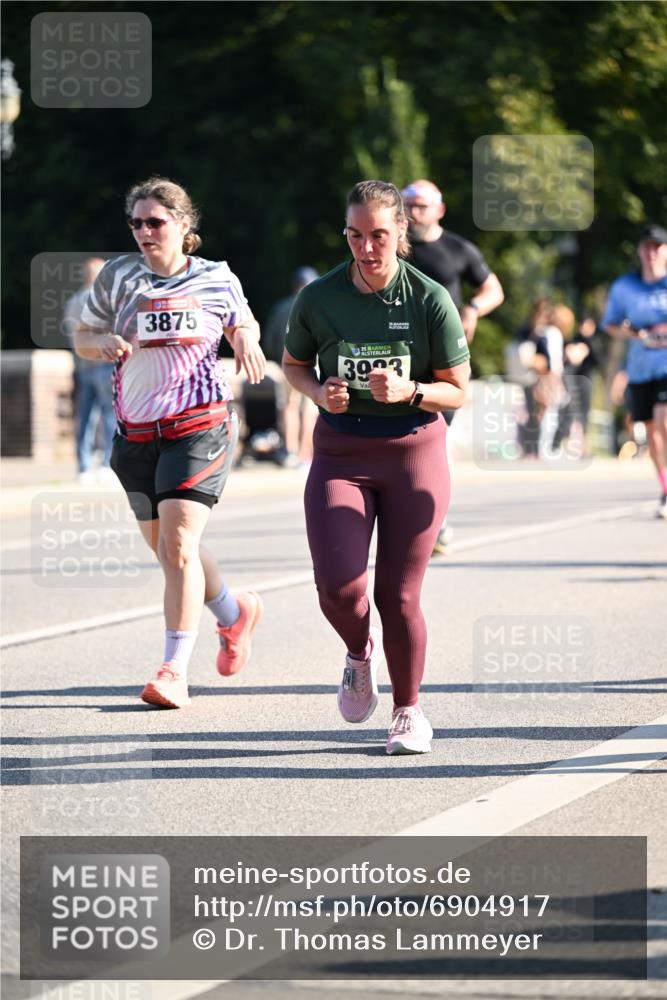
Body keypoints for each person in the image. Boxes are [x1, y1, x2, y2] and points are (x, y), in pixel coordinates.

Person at [283, 180, 470, 754]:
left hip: (414, 451)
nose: (366, 248)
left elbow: (458, 390)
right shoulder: (319, 297)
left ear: (401, 232)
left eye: (379, 236)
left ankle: (408, 711)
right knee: (339, 589)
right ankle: (359, 652)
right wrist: (320, 392)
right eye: (355, 235)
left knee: (398, 594)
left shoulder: (429, 298)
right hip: (341, 452)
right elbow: (293, 364)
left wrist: (412, 391)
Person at [75, 176, 266, 707]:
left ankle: (173, 671)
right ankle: (235, 614)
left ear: (183, 224)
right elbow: (82, 338)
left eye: (155, 221)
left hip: (198, 426)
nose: (144, 231)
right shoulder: (117, 277)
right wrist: (101, 341)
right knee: (170, 550)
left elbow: (242, 323)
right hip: (136, 435)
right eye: (136, 222)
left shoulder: (215, 276)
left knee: (178, 544)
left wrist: (245, 340)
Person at [401, 179, 504, 552]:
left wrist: (473, 308)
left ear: (439, 210)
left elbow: (494, 289)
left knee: (435, 438)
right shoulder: (394, 247)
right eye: (408, 205)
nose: (413, 213)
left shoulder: (458, 249)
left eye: (421, 206)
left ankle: (437, 520)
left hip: (444, 361)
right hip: (400, 355)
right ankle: (405, 516)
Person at [602, 224, 667, 518]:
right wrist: (634, 334)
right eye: (646, 247)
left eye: (657, 246)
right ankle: (665, 489)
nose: (651, 252)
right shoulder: (625, 287)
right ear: (640, 251)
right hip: (641, 369)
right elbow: (611, 324)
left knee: (664, 421)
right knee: (652, 434)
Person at [63, 257, 116, 482]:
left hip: (83, 365)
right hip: (103, 363)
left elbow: (72, 336)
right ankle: (106, 464)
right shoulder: (104, 299)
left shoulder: (73, 301)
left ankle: (83, 467)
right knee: (110, 416)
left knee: (84, 419)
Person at [262, 266, 319, 466]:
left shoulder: (281, 307)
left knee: (289, 407)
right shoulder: (319, 306)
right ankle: (306, 456)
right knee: (310, 410)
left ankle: (290, 451)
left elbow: (269, 340)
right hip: (315, 365)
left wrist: (281, 359)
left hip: (288, 366)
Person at [552, 314, 601, 455]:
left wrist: (588, 342)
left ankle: (583, 446)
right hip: (572, 381)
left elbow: (598, 360)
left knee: (584, 412)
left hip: (586, 380)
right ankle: (563, 443)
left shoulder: (593, 342)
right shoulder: (573, 340)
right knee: (569, 411)